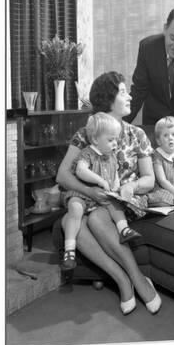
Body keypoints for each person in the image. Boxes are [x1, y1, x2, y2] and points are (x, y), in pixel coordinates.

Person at [56, 72, 162, 315]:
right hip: (93, 198)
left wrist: (131, 187)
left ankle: (137, 279)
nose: (130, 95)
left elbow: (149, 179)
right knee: (69, 221)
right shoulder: (86, 133)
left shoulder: (137, 135)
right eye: (123, 92)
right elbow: (62, 175)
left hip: (122, 202)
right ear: (108, 98)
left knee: (95, 218)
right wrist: (90, 193)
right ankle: (124, 280)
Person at [61, 112, 143, 271]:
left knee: (116, 204)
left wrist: (116, 186)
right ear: (96, 139)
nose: (115, 143)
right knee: (75, 208)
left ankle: (124, 229)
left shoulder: (111, 156)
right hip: (83, 194)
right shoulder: (87, 153)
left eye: (116, 139)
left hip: (101, 197)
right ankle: (69, 250)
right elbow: (80, 171)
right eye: (111, 140)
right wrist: (99, 181)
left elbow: (115, 175)